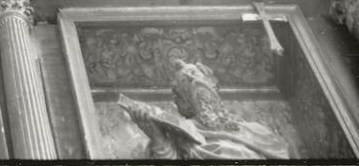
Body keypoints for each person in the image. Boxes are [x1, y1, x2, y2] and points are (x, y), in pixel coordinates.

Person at [120, 55, 286, 161]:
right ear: (182, 103)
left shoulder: (257, 130)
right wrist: (158, 137)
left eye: (195, 75)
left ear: (213, 85)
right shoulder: (181, 135)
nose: (194, 81)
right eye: (186, 82)